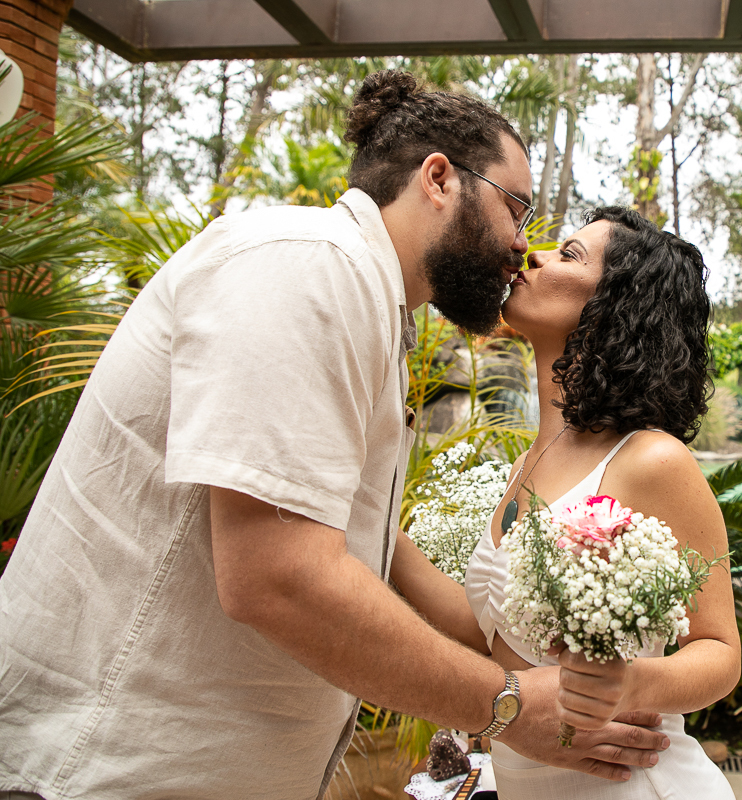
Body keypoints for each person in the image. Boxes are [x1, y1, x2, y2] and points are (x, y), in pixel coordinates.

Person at [0, 72, 668, 800]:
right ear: (438, 178)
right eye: (516, 207)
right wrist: (503, 704)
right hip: (97, 770)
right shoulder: (311, 267)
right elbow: (279, 574)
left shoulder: (369, 305)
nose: (522, 242)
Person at [392, 207, 741, 798]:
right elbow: (488, 633)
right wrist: (380, 527)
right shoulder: (530, 460)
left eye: (570, 254)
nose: (535, 254)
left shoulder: (652, 460)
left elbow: (719, 651)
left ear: (616, 305)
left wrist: (628, 685)